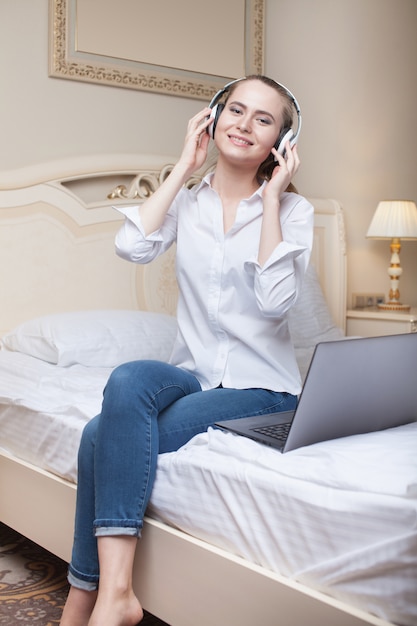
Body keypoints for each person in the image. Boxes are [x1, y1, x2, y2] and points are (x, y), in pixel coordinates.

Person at [60, 75, 314, 626]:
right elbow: (131, 246)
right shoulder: (188, 203)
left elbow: (274, 304)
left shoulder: (294, 212)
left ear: (281, 144)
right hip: (195, 376)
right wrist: (183, 166)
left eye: (263, 119)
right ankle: (116, 596)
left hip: (264, 390)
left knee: (98, 435)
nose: (244, 125)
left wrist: (270, 198)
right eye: (236, 110)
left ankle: (90, 598)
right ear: (212, 117)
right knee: (128, 379)